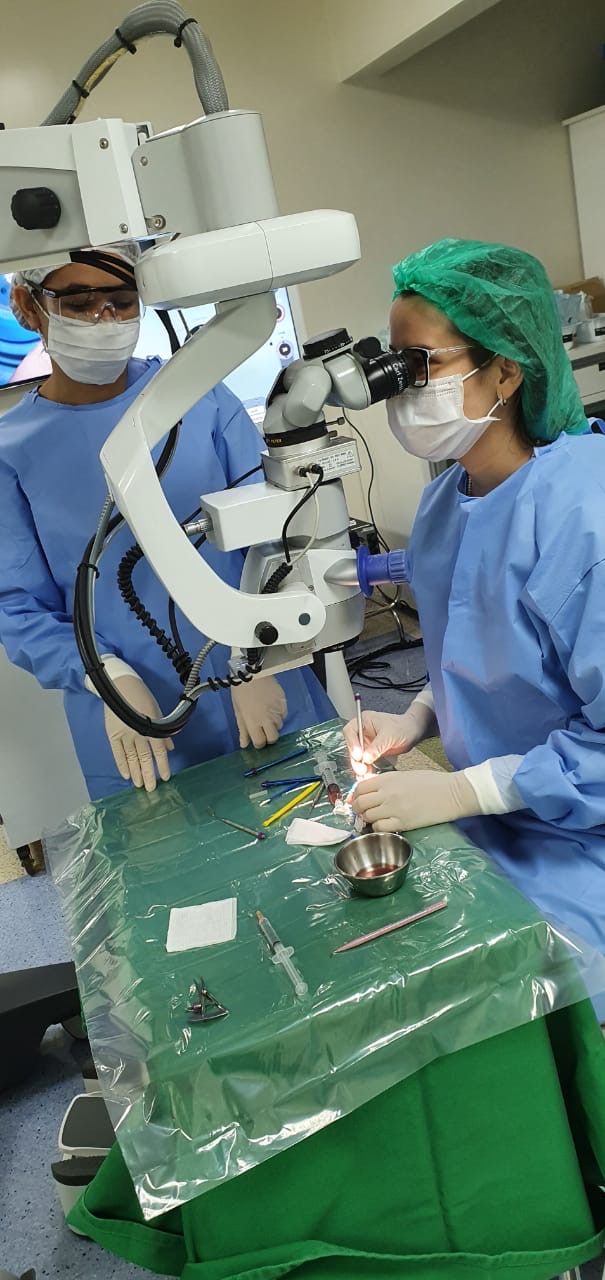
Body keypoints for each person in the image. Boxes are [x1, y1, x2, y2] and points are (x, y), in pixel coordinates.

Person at [344, 238, 605, 982]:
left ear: (505, 370)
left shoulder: (583, 516)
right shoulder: (444, 504)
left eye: (420, 363)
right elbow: (483, 643)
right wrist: (418, 715)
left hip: (583, 834)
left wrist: (462, 789)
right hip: (497, 812)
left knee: (531, 998)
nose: (401, 388)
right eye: (393, 364)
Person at [0, 244, 333, 800]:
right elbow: (17, 606)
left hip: (258, 672)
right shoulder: (12, 451)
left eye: (122, 301)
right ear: (29, 306)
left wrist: (257, 657)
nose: (104, 319)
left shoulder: (201, 399)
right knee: (168, 849)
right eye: (79, 304)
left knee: (318, 823)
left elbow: (280, 534)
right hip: (130, 713)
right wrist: (106, 676)